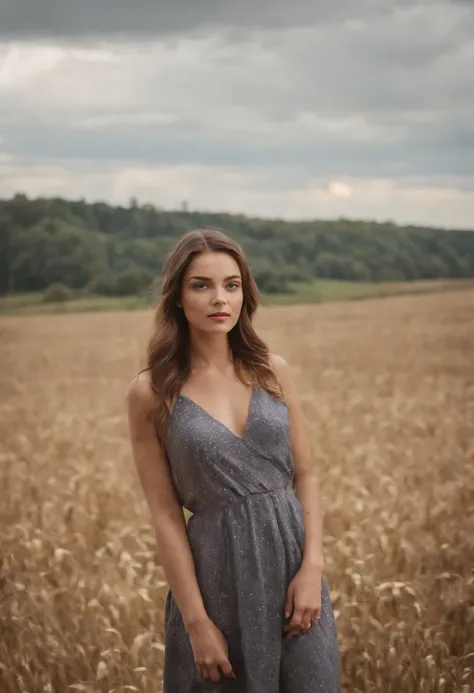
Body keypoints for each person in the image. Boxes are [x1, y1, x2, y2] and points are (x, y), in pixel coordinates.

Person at [126, 228, 341, 692]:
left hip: (293, 578)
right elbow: (165, 514)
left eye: (232, 284)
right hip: (215, 582)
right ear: (177, 298)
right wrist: (197, 623)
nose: (219, 298)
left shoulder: (270, 369)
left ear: (245, 292)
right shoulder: (151, 392)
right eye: (200, 285)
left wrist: (312, 570)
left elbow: (306, 473)